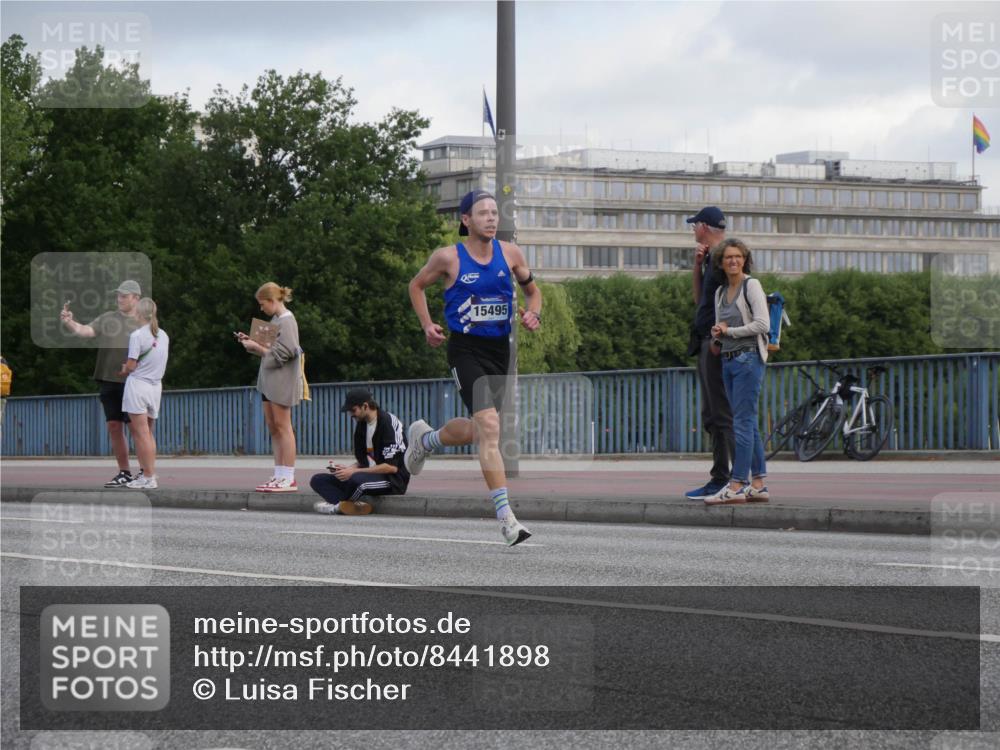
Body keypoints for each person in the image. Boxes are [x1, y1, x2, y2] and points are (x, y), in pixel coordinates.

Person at [405, 189, 541, 546]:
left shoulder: (510, 253)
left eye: (495, 212)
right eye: (483, 213)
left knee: (483, 432)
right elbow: (416, 286)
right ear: (466, 220)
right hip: (465, 349)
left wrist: (534, 313)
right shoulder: (448, 257)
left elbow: (533, 291)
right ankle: (507, 518)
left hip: (501, 351)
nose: (492, 219)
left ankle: (427, 439)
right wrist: (427, 325)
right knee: (490, 425)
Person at [705, 239, 770, 505]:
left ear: (745, 260)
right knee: (748, 423)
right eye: (728, 257)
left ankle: (736, 485)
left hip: (748, 359)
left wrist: (730, 332)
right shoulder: (720, 292)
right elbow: (721, 323)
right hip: (729, 360)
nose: (733, 261)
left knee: (741, 423)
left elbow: (762, 324)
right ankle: (758, 484)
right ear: (720, 263)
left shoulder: (750, 285)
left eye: (738, 257)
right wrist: (718, 335)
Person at [60, 280, 142, 487]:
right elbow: (87, 331)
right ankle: (124, 472)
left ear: (136, 298)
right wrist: (70, 322)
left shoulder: (144, 322)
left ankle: (146, 471)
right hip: (108, 379)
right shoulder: (108, 318)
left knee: (138, 429)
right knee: (114, 426)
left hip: (134, 382)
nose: (120, 299)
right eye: (118, 295)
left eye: (124, 296)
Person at [684, 207, 734, 500]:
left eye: (694, 225)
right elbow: (699, 299)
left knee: (721, 413)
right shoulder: (711, 259)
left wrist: (719, 338)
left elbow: (734, 299)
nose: (693, 230)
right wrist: (696, 267)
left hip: (716, 343)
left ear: (704, 226)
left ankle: (730, 479)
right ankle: (722, 478)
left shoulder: (725, 257)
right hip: (706, 340)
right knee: (712, 414)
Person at [237, 282, 303, 492]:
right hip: (269, 381)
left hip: (282, 382)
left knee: (284, 427)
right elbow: (268, 350)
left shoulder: (287, 321)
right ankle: (279, 473)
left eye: (262, 303)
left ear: (273, 301)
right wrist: (252, 343)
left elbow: (287, 352)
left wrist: (257, 347)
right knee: (274, 428)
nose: (261, 308)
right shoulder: (275, 320)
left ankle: (289, 477)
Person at [310, 387, 409, 515]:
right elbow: (364, 460)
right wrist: (346, 470)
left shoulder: (388, 423)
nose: (351, 414)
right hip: (367, 475)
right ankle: (345, 505)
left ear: (365, 406)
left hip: (392, 480)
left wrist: (353, 472)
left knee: (357, 481)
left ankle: (338, 505)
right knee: (318, 479)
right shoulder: (362, 425)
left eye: (353, 410)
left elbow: (391, 467)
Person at [120, 299, 169, 489]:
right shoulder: (163, 335)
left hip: (138, 385)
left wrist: (125, 368)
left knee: (140, 434)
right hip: (156, 386)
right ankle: (150, 473)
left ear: (138, 314)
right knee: (148, 433)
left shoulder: (137, 335)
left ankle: (148, 476)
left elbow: (131, 365)